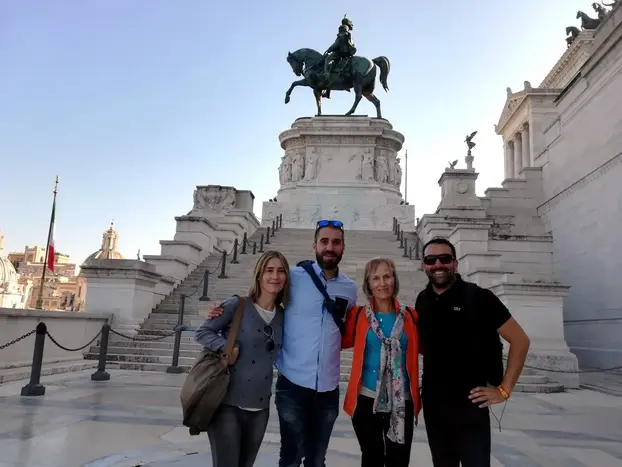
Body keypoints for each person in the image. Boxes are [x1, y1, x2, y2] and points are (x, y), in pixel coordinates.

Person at [205, 220, 358, 467]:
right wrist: (221, 310)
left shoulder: (350, 288)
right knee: (290, 458)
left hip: (329, 387)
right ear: (314, 245)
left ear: (343, 247)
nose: (330, 247)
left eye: (336, 242)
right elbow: (260, 299)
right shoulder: (292, 277)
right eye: (324, 241)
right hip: (293, 384)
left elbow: (348, 327)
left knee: (318, 460)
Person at [416, 237, 530, 467]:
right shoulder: (422, 300)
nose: (438, 265)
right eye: (431, 260)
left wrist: (504, 390)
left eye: (444, 259)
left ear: (455, 263)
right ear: (424, 266)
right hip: (434, 403)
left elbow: (520, 340)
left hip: (471, 404)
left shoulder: (480, 297)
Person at [194, 250, 290, 467]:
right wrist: (226, 348)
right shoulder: (237, 305)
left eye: (281, 271)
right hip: (227, 403)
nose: (275, 276)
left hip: (260, 408)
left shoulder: (284, 316)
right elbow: (203, 332)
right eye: (269, 270)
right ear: (259, 275)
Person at [342, 257, 421, 467]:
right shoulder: (358, 315)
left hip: (401, 401)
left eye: (387, 276)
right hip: (366, 399)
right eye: (375, 278)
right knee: (371, 458)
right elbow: (338, 341)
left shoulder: (411, 316)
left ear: (395, 279)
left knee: (399, 461)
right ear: (368, 284)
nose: (382, 283)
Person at [322, 16, 357, 98]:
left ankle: (326, 74)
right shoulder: (348, 30)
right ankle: (328, 91)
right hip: (347, 52)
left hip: (341, 51)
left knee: (327, 59)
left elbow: (338, 42)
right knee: (335, 65)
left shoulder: (343, 28)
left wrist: (329, 49)